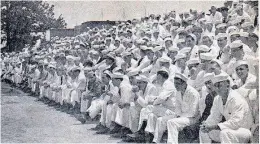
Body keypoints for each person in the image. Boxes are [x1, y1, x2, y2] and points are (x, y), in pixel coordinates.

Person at [199, 73, 253, 143]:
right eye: (215, 86)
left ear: (227, 85)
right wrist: (206, 124)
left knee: (224, 133)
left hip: (243, 131)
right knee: (204, 131)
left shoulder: (236, 98)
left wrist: (214, 127)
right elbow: (214, 117)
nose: (217, 88)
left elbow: (235, 123)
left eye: (220, 85)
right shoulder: (217, 99)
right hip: (229, 129)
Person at [166, 73, 200, 144]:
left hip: (192, 118)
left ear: (184, 83)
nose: (176, 86)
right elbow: (177, 107)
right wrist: (178, 115)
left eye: (178, 84)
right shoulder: (178, 92)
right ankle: (155, 141)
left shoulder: (193, 93)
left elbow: (193, 112)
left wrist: (179, 117)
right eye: (175, 83)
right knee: (162, 120)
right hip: (182, 116)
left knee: (171, 122)